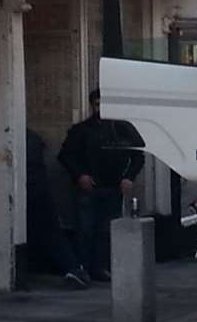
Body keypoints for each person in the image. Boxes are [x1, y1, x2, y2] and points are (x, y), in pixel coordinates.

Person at [57, 90, 145, 282]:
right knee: (85, 229)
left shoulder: (123, 129)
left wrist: (128, 177)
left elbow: (138, 156)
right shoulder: (82, 130)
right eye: (96, 105)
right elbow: (66, 156)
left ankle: (99, 267)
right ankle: (84, 268)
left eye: (102, 104)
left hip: (112, 186)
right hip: (90, 187)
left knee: (106, 230)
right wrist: (80, 175)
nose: (100, 108)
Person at [25, 129, 89, 288]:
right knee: (52, 233)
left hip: (31, 191)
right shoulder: (34, 139)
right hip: (39, 191)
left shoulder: (23, 139)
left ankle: (74, 269)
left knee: (48, 233)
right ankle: (75, 268)